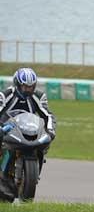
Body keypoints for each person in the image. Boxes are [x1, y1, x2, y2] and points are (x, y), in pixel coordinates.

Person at [0, 68, 57, 198]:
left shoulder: (38, 96)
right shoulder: (6, 95)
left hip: (28, 130)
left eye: (31, 87)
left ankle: (34, 172)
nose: (28, 90)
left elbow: (48, 115)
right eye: (25, 86)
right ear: (17, 84)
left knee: (44, 142)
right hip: (5, 129)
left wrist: (51, 131)